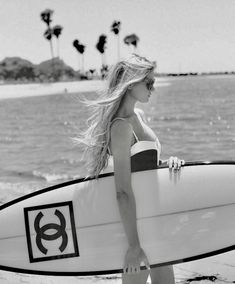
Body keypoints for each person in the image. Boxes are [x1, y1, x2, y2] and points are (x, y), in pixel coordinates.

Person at [78, 53, 184, 284]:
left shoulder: (138, 116)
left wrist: (167, 165)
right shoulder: (121, 127)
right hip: (139, 229)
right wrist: (134, 247)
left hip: (155, 221)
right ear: (130, 83)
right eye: (149, 82)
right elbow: (122, 191)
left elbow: (143, 170)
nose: (152, 88)